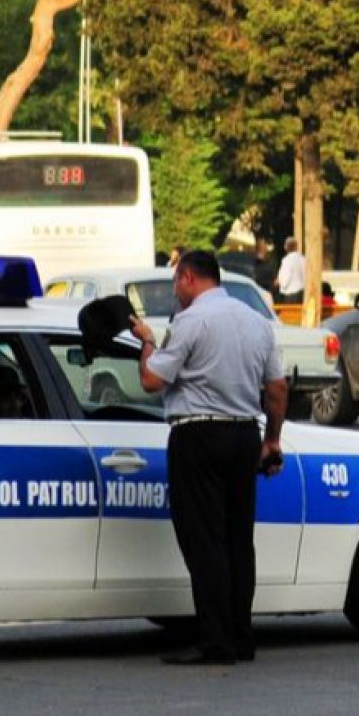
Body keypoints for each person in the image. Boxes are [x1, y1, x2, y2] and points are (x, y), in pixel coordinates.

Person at [130, 250, 289, 666]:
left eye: (175, 284)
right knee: (239, 540)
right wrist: (271, 441)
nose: (175, 294)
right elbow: (276, 389)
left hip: (198, 435)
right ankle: (240, 636)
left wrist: (147, 342)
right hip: (243, 435)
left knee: (204, 541)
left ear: (186, 278)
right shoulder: (257, 323)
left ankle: (214, 640)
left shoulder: (191, 321)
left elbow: (150, 380)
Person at [274, 237, 306, 304]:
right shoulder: (303, 259)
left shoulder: (286, 260)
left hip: (290, 295)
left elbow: (285, 280)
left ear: (286, 247)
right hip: (301, 293)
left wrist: (279, 282)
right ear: (296, 247)